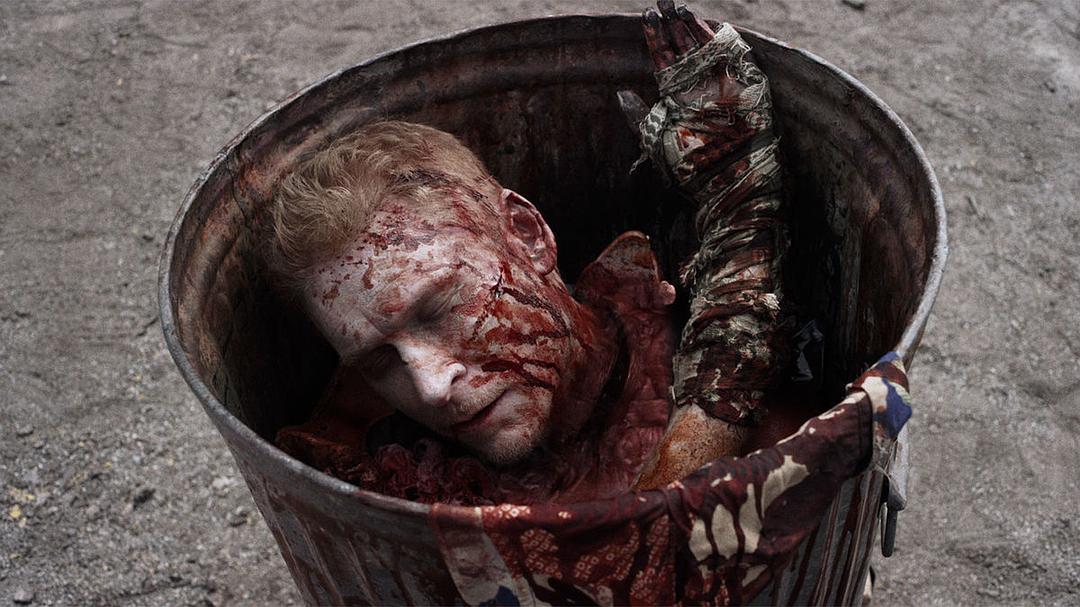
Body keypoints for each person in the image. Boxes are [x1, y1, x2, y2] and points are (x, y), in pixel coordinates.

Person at [270, 1, 803, 504]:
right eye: (380, 359)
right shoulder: (377, 475)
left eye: (437, 308)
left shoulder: (770, 435)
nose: (431, 389)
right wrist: (744, 225)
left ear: (528, 235)